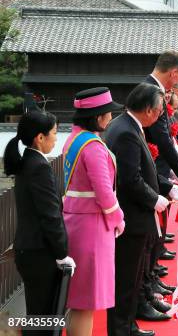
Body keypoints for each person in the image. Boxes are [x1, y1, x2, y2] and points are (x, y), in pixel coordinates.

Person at [105, 83, 178, 336]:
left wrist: (167, 187)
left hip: (135, 215)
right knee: (127, 278)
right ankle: (122, 329)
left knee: (134, 275)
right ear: (150, 110)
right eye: (161, 109)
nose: (162, 113)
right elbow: (130, 178)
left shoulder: (129, 126)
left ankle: (128, 325)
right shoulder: (127, 131)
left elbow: (145, 169)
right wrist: (154, 199)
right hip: (131, 216)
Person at [3, 110, 74, 334]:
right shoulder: (40, 167)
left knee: (39, 314)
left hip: (31, 251)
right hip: (40, 253)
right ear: (39, 138)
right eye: (53, 133)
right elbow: (50, 215)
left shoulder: (27, 163)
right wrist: (62, 253)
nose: (56, 138)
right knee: (44, 317)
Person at [62, 87, 125, 336]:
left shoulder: (73, 139)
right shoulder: (93, 146)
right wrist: (118, 218)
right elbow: (104, 192)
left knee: (77, 298)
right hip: (92, 226)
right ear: (98, 117)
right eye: (108, 113)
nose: (110, 118)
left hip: (75, 220)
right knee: (85, 302)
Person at [142, 51, 178, 320]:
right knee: (144, 237)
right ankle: (144, 293)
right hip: (147, 172)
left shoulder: (153, 89)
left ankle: (150, 282)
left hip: (155, 171)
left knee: (152, 235)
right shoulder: (151, 91)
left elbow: (167, 136)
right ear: (175, 73)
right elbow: (162, 138)